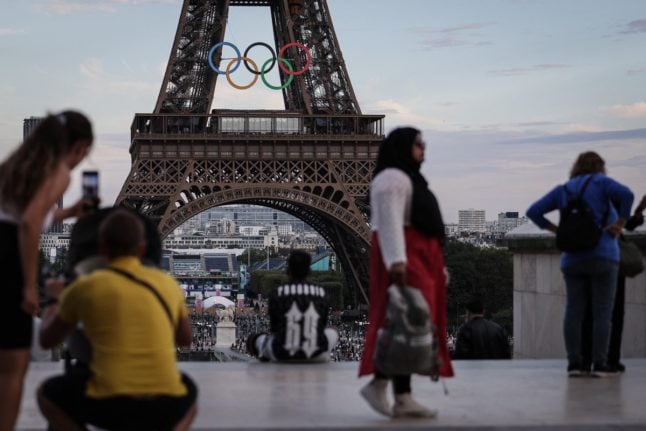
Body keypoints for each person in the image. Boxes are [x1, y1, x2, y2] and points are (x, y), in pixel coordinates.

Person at [37, 209, 197, 430]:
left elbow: (47, 340)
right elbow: (185, 340)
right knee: (190, 395)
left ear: (102, 248)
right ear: (143, 248)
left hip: (108, 403)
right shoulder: (168, 283)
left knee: (46, 394)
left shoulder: (85, 285)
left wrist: (55, 299)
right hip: (161, 402)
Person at [0, 111, 93, 431]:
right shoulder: (59, 172)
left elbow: (22, 214)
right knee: (12, 366)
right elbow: (27, 224)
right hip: (8, 257)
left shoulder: (16, 166)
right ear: (79, 147)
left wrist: (67, 212)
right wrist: (28, 286)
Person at [358, 127, 453, 418]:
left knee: (411, 325)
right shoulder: (392, 179)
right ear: (402, 147)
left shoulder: (405, 177)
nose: (423, 148)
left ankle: (397, 392)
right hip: (406, 259)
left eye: (423, 143)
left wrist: (437, 267)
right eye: (417, 143)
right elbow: (389, 223)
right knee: (408, 324)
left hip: (417, 257)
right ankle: (392, 390)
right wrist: (398, 263)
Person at [527, 151, 633, 377]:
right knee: (603, 313)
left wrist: (558, 230)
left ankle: (575, 362)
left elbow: (533, 212)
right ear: (600, 167)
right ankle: (600, 362)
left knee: (574, 312)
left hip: (573, 258)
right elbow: (627, 195)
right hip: (604, 254)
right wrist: (620, 223)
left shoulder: (564, 190)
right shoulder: (602, 183)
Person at [582, 193, 646, 373]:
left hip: (592, 264)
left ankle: (587, 360)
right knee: (615, 315)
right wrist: (639, 210)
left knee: (590, 314)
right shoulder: (613, 205)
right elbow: (629, 224)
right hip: (612, 264)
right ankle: (610, 359)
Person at [246, 250, 339, 362]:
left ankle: (265, 358)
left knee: (254, 339)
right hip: (316, 352)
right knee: (333, 331)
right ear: (309, 270)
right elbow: (322, 325)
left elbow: (274, 329)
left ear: (288, 270)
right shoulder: (321, 292)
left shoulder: (277, 293)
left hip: (282, 353)